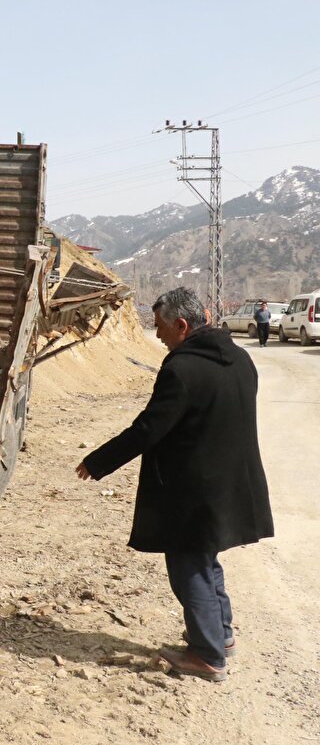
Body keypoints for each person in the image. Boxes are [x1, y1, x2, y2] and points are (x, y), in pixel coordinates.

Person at [74, 287, 274, 682]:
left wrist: (97, 462)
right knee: (205, 558)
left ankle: (207, 654)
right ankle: (222, 635)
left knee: (188, 568)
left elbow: (149, 428)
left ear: (182, 326)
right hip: (231, 482)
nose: (158, 333)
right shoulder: (241, 358)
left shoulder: (181, 368)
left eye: (162, 327)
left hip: (193, 489)